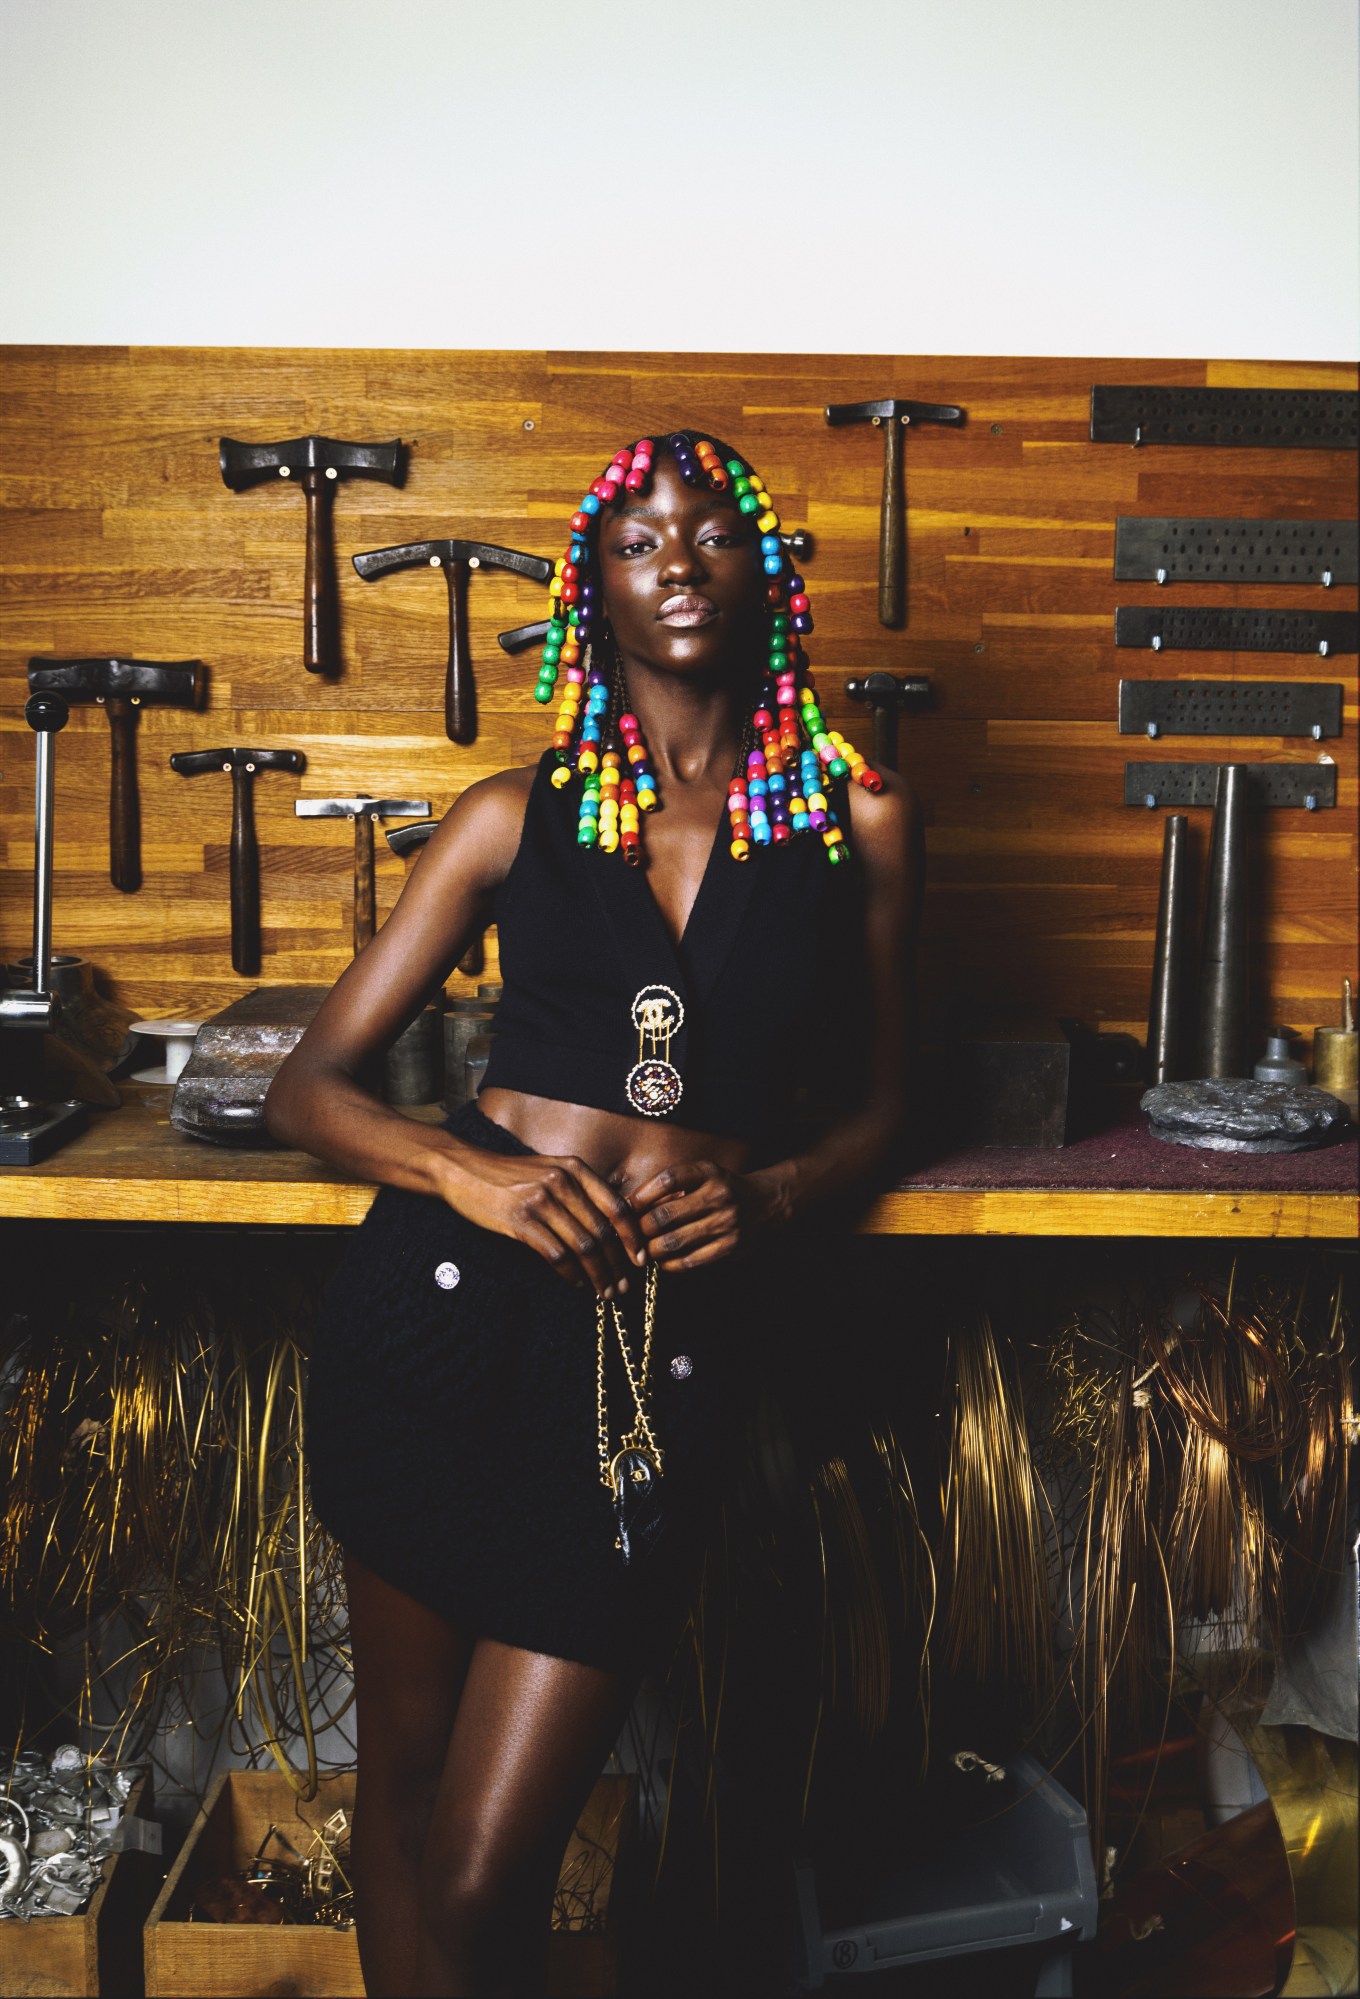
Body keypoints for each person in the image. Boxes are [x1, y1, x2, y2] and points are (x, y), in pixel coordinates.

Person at [264, 427, 921, 1997]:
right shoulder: (509, 817)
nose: (677, 560)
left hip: (647, 1364)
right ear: (592, 596)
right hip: (434, 1327)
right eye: (639, 542)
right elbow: (311, 1091)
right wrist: (466, 1167)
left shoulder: (859, 819)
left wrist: (777, 1194)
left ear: (764, 568)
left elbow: (895, 1104)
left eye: (710, 533)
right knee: (403, 1798)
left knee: (490, 1880)